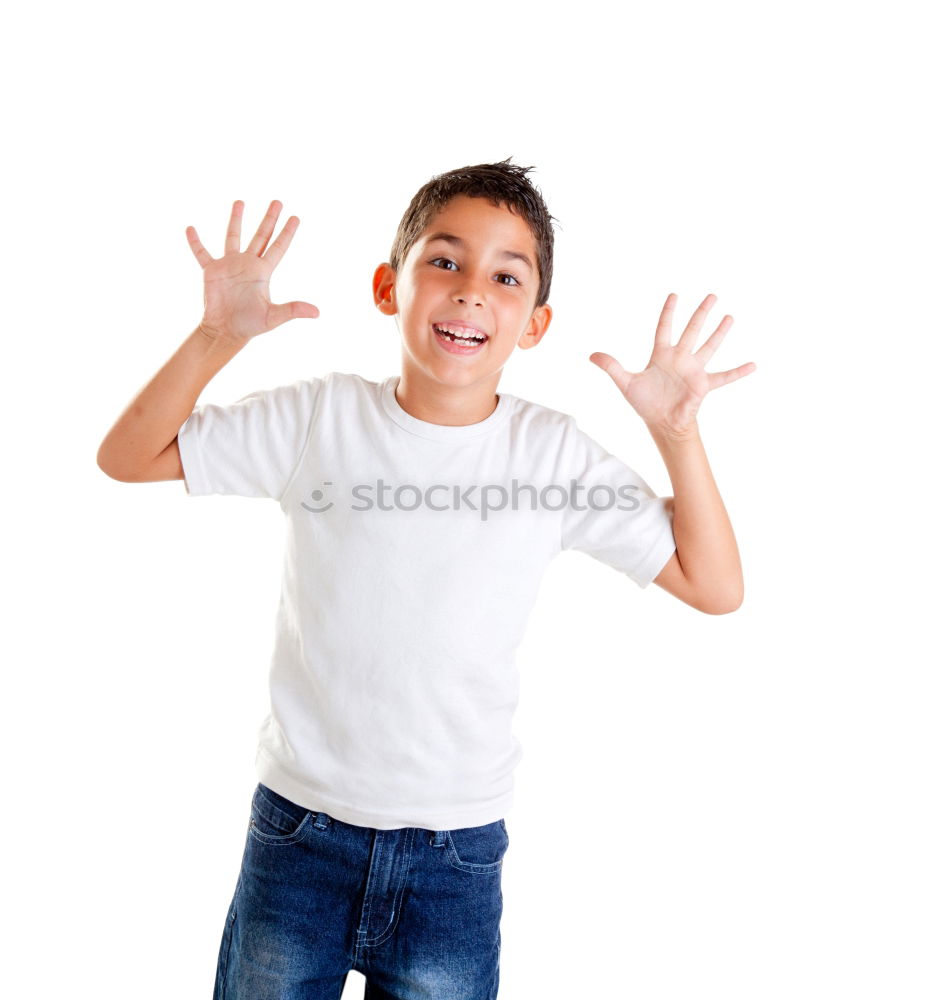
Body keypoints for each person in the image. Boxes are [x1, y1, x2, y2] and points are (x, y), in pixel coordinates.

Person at [96, 159, 755, 999]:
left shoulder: (549, 454)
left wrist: (675, 436)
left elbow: (713, 584)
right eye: (444, 261)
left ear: (535, 323)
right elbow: (126, 457)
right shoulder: (319, 418)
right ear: (387, 286)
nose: (471, 290)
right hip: (299, 836)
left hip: (455, 858)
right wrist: (217, 337)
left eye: (505, 276)